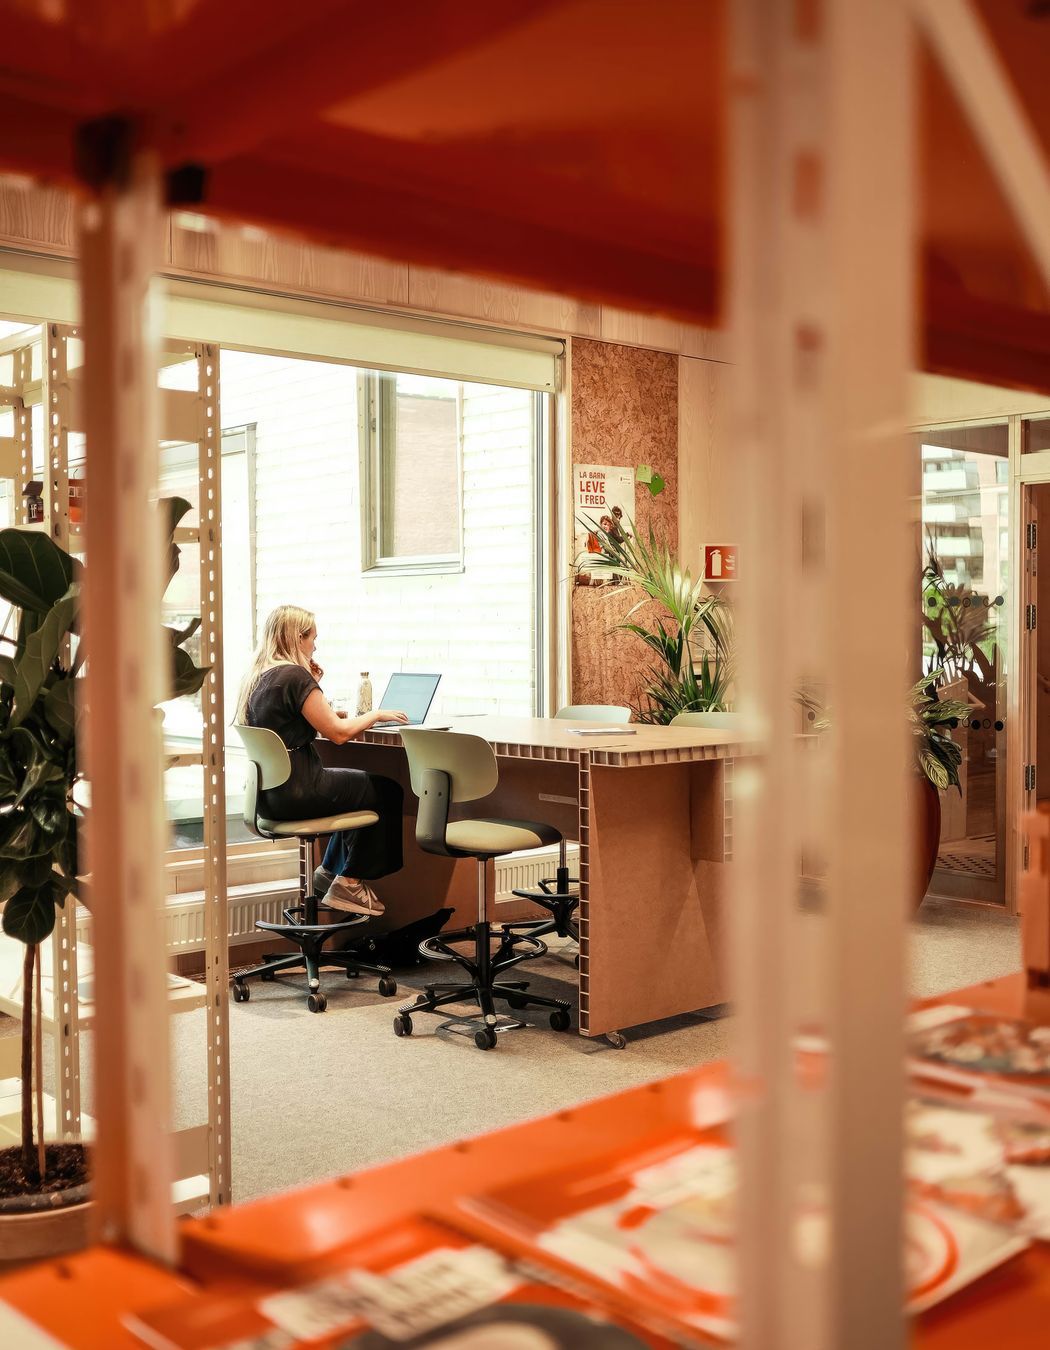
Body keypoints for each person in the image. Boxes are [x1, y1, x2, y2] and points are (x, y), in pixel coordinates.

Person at [235, 605, 408, 917]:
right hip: (300, 789)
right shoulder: (293, 675)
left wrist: (315, 686)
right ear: (298, 638)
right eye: (313, 638)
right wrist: (377, 714)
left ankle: (329, 873)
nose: (315, 645)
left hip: (269, 797)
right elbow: (339, 734)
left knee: (354, 790)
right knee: (386, 791)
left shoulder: (258, 677)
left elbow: (303, 720)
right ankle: (350, 880)